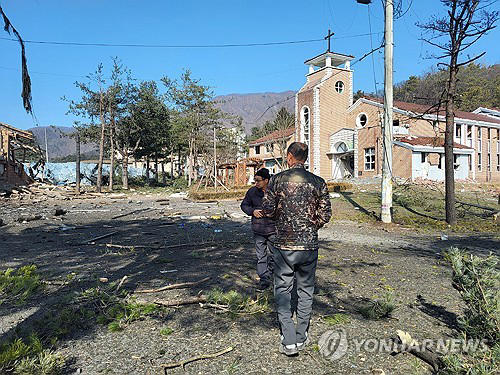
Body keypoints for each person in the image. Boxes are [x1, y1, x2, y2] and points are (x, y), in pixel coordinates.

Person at [262, 142, 332, 356]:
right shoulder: (318, 182)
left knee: (282, 288)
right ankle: (301, 336)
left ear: (290, 156)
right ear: (306, 157)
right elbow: (325, 214)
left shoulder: (276, 180)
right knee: (305, 290)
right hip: (309, 245)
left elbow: (267, 209)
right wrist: (310, 227)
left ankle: (289, 339)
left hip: (284, 245)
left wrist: (282, 220)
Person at [240, 168, 276, 290]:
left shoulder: (275, 191)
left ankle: (272, 275)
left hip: (273, 230)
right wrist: (252, 211)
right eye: (255, 180)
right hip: (258, 230)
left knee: (275, 255)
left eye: (258, 180)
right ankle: (264, 279)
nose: (256, 183)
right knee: (261, 257)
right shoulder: (252, 192)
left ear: (266, 180)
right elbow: (244, 205)